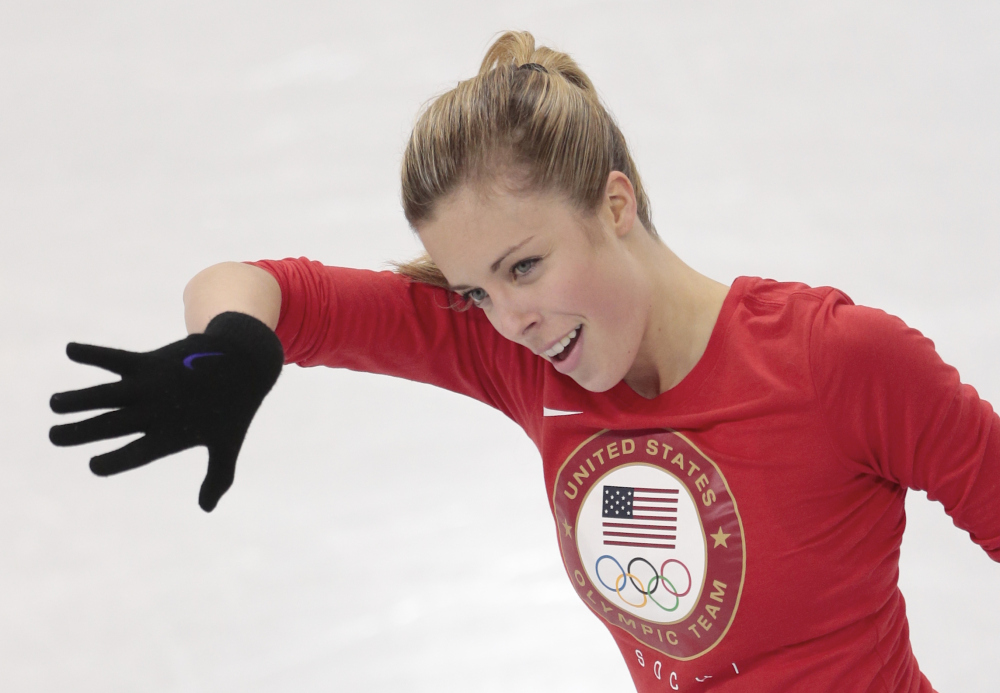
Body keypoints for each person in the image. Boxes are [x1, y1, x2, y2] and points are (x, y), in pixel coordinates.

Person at [49, 31, 999, 692]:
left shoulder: (833, 360)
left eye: (525, 266)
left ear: (615, 202)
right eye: (476, 292)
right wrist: (235, 347)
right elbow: (260, 284)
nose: (513, 320)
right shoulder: (526, 361)